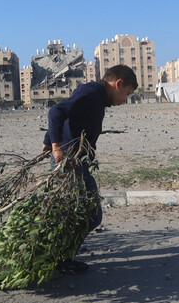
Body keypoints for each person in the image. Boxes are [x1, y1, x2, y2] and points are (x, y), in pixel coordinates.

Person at [41, 64, 138, 275]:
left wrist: (48, 140)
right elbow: (57, 110)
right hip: (70, 163)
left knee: (77, 212)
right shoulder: (91, 93)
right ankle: (62, 259)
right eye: (127, 94)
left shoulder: (93, 94)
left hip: (76, 162)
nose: (124, 101)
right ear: (118, 84)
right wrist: (56, 146)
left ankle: (60, 255)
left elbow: (67, 111)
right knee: (91, 214)